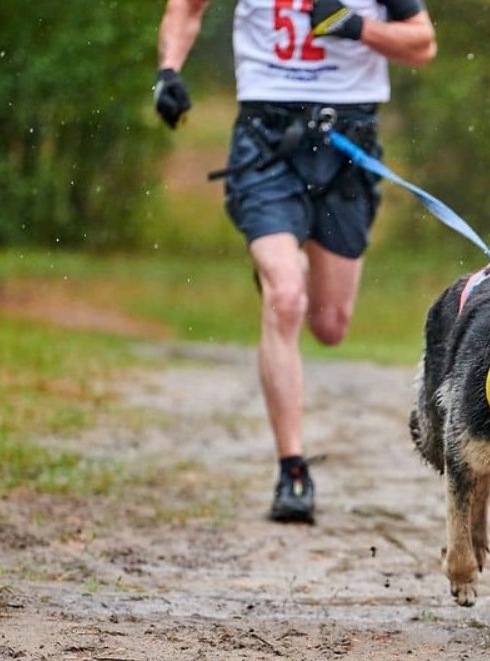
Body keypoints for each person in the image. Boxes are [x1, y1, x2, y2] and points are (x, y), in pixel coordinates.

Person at [154, 0, 437, 523]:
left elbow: (422, 43)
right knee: (286, 298)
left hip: (348, 141)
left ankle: (282, 266)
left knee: (329, 325)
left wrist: (356, 27)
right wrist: (168, 70)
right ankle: (293, 471)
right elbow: (185, 8)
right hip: (266, 140)